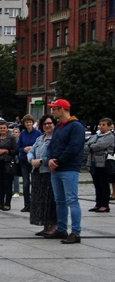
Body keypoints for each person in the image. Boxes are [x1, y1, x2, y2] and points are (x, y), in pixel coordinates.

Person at [46, 99, 85, 244]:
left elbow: (73, 147)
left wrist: (58, 161)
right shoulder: (58, 127)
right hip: (56, 168)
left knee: (72, 200)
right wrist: (50, 159)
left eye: (55, 109)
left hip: (69, 168)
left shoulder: (76, 126)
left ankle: (76, 232)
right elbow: (51, 145)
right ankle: (61, 229)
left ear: (62, 109)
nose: (53, 112)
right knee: (59, 200)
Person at [28, 115, 57, 237]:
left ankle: (53, 226)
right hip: (37, 172)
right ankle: (45, 226)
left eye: (50, 123)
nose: (47, 126)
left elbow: (54, 154)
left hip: (48, 172)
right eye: (45, 124)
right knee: (40, 200)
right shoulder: (40, 138)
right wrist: (32, 160)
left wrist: (41, 161)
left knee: (50, 200)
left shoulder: (56, 138)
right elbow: (31, 151)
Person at [85, 118, 114, 213]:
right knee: (97, 184)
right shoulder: (95, 136)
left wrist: (92, 147)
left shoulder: (110, 137)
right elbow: (86, 145)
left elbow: (100, 146)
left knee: (104, 184)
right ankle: (98, 203)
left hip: (103, 163)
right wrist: (91, 147)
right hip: (93, 163)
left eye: (104, 125)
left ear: (109, 126)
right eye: (100, 124)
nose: (101, 126)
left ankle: (105, 205)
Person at [0, 121, 18, 211]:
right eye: (1, 128)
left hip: (8, 162)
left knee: (8, 183)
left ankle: (7, 203)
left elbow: (15, 151)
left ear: (7, 129)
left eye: (4, 128)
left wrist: (6, 151)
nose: (2, 129)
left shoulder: (11, 138)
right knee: (0, 183)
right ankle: (0, 203)